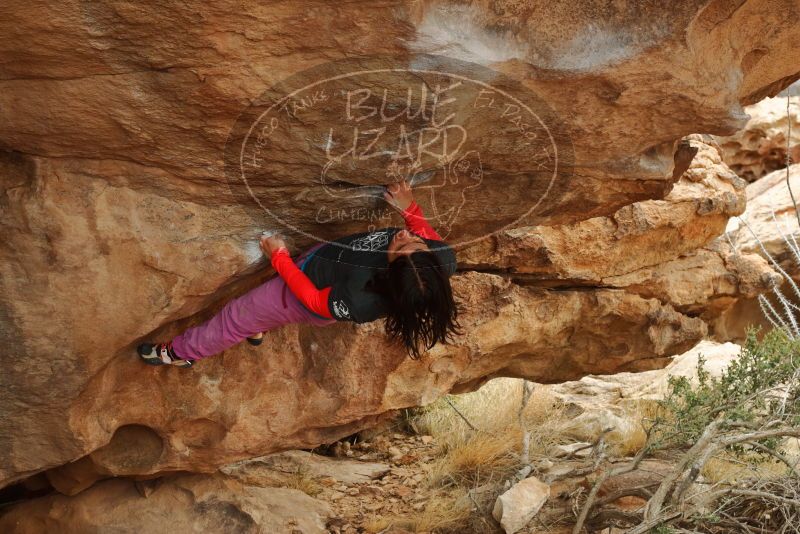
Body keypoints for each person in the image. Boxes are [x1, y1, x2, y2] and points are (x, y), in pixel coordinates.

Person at [137, 179, 461, 368]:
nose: (404, 237)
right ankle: (259, 325)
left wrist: (280, 259)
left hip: (301, 294)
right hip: (323, 261)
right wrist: (410, 209)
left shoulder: (360, 299)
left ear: (389, 276)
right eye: (416, 244)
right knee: (258, 311)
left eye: (400, 250)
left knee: (237, 316)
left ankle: (180, 353)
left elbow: (313, 300)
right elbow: (426, 235)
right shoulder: (441, 260)